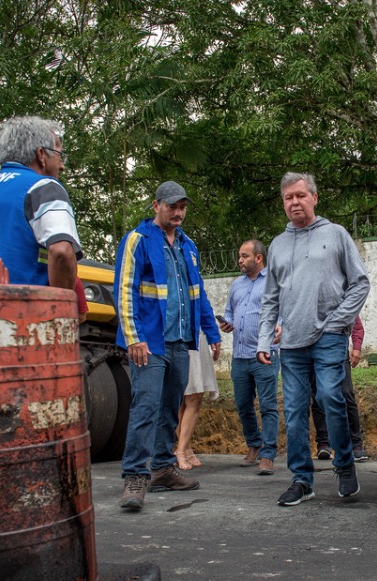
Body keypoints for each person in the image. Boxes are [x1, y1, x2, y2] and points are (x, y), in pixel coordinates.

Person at [256, 172, 370, 506]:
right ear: (283, 203)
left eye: (301, 195)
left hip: (329, 338)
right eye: (288, 197)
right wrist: (265, 340)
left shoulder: (335, 235)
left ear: (315, 198)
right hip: (290, 344)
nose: (295, 202)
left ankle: (345, 465)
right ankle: (302, 480)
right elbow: (270, 299)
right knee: (293, 412)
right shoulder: (277, 245)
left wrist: (338, 322)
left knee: (332, 397)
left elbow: (360, 283)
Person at [115, 180, 221, 511]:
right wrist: (134, 338)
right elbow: (125, 290)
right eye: (172, 206)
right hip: (150, 341)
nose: (178, 212)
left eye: (182, 207)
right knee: (146, 405)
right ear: (156, 205)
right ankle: (135, 476)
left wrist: (211, 331)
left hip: (180, 340)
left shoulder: (188, 247)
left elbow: (197, 293)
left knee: (169, 407)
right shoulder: (138, 240)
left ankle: (162, 469)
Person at [0, 115, 81, 292]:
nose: (61, 166)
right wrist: (62, 309)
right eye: (58, 154)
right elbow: (61, 252)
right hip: (23, 315)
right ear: (41, 155)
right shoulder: (43, 187)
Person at [219, 239, 281, 476]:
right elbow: (229, 312)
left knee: (268, 405)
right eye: (239, 256)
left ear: (258, 258)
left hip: (265, 353)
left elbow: (283, 309)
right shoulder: (236, 285)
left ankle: (268, 454)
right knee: (243, 404)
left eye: (244, 256)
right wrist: (226, 323)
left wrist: (281, 326)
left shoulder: (273, 282)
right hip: (240, 355)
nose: (240, 260)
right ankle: (254, 444)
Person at [312, 315, 367, 462]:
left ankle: (356, 444)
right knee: (318, 397)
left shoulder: (339, 293)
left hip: (338, 353)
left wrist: (356, 347)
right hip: (314, 354)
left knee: (346, 394)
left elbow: (357, 325)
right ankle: (323, 444)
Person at [175, 332, 220, 470]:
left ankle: (181, 449)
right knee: (178, 398)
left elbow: (205, 310)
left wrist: (214, 337)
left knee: (195, 397)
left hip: (196, 338)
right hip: (173, 338)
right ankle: (185, 450)